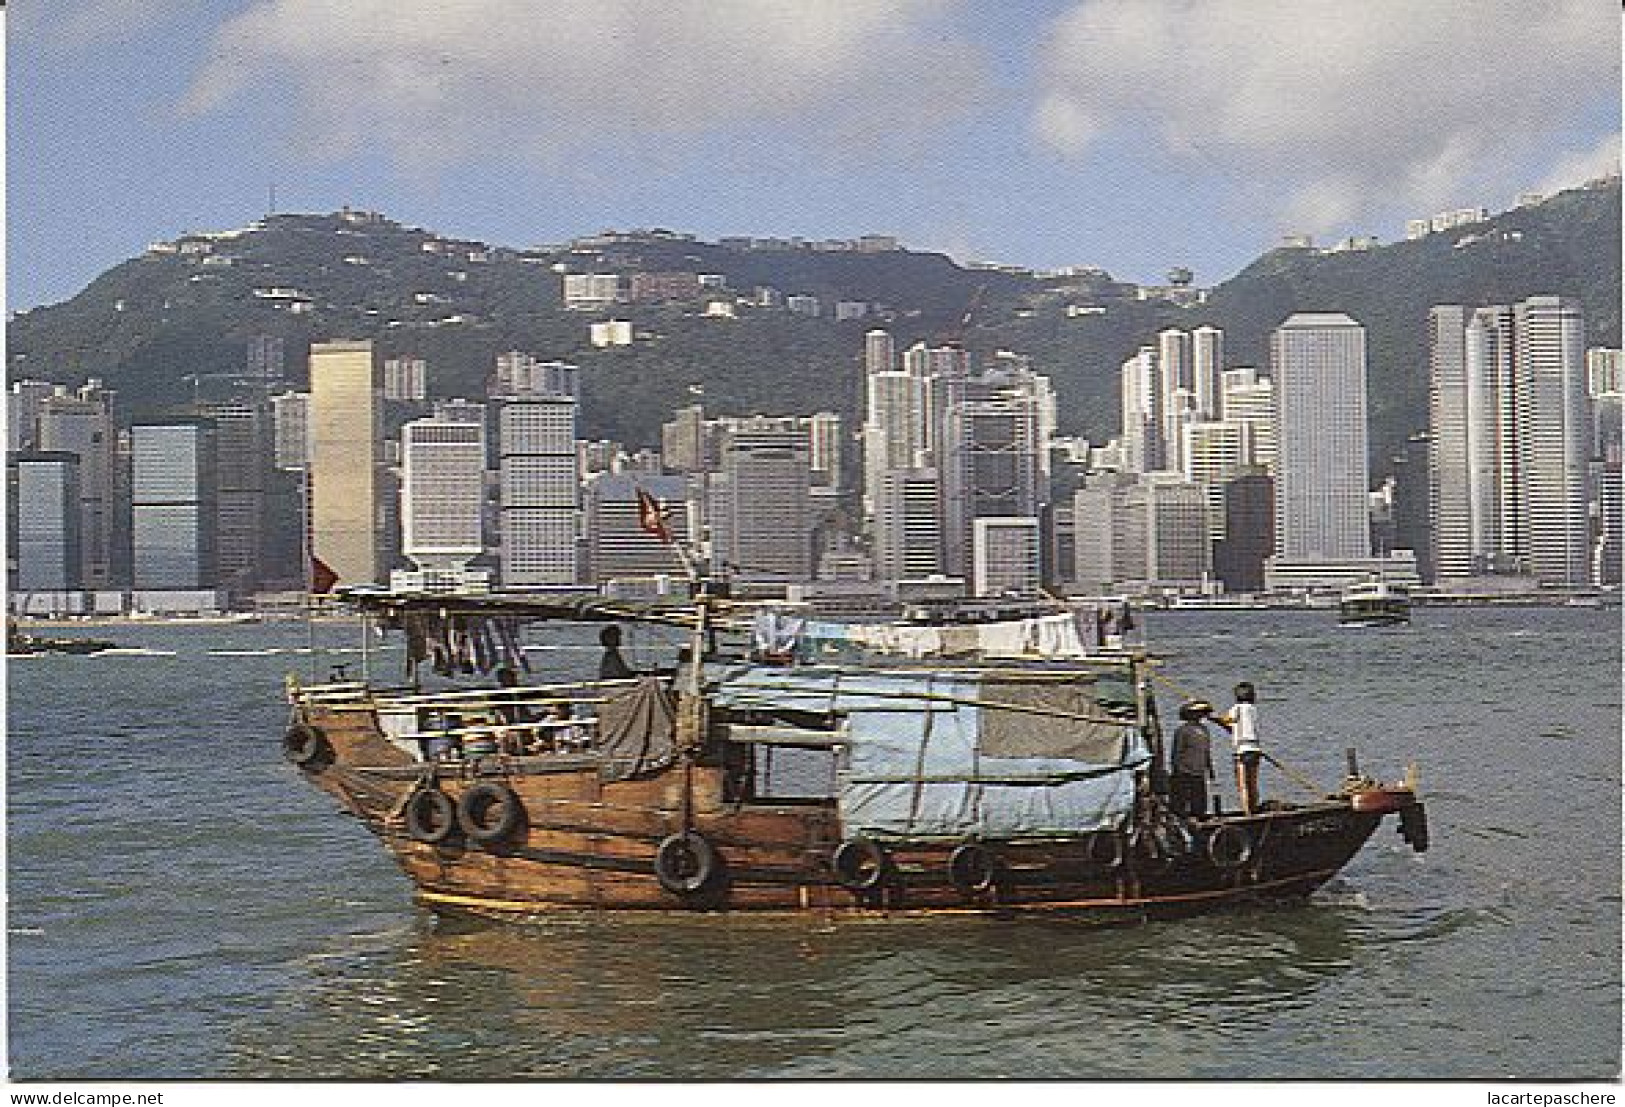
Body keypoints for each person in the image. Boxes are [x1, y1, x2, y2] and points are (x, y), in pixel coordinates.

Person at [1215, 682, 1263, 815]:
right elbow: (1233, 727)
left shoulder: (1236, 708)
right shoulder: (1253, 709)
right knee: (1253, 783)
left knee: (1243, 785)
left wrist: (1212, 716)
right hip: (1255, 749)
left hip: (1242, 750)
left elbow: (1226, 720)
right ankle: (1254, 809)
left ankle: (1247, 813)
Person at [1168, 700, 1217, 817]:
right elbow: (1177, 752)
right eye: (1196, 713)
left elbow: (1206, 752)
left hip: (1199, 770)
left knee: (1199, 800)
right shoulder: (1183, 730)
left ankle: (1199, 816)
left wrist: (1210, 768)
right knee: (1182, 800)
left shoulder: (1204, 730)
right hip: (1185, 771)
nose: (1199, 715)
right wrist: (1177, 769)